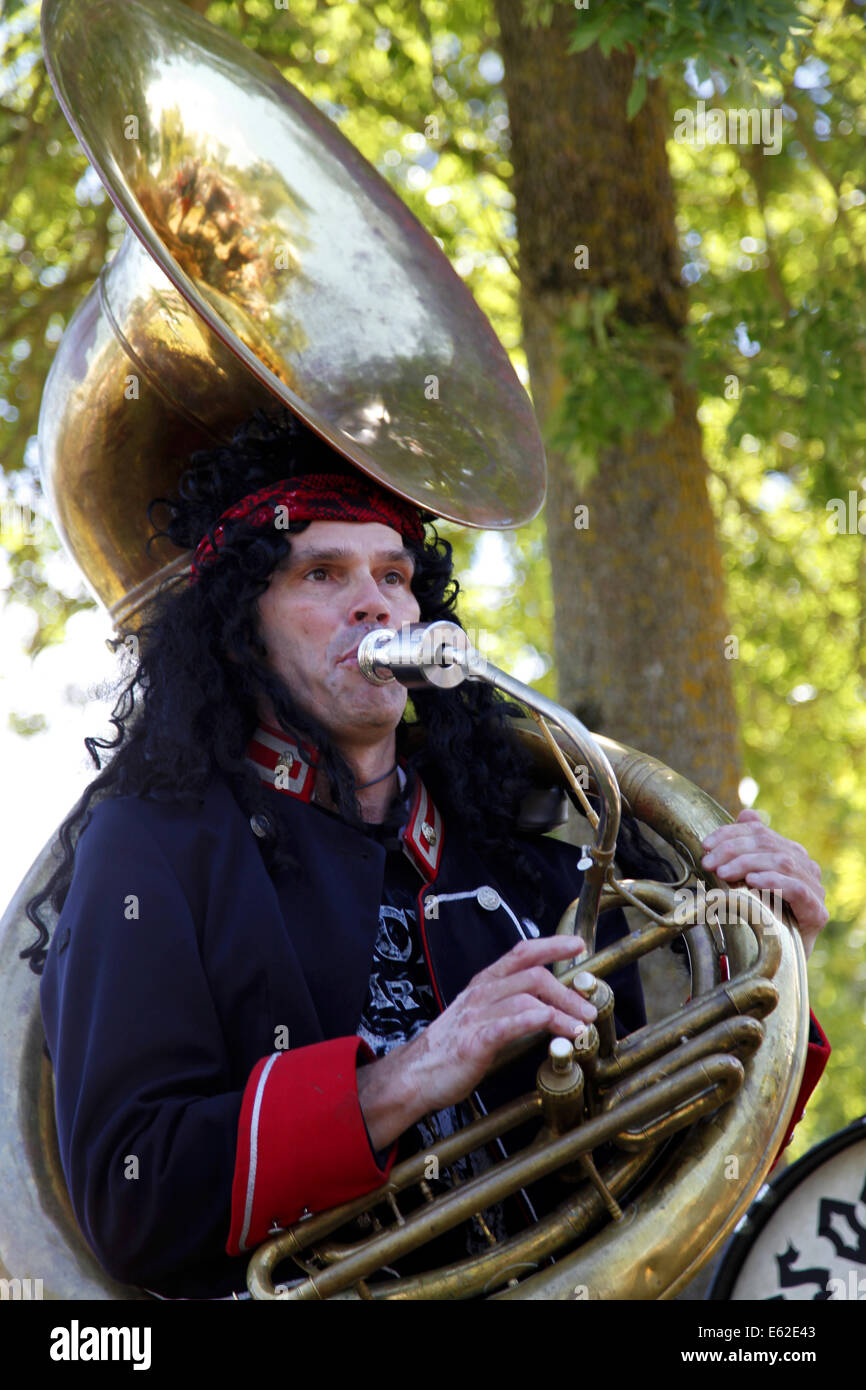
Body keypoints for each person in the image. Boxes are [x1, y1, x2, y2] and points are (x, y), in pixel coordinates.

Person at [26, 406, 830, 1300]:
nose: (373, 600)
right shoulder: (151, 846)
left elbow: (679, 1174)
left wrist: (764, 948)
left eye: (394, 575)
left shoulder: (535, 868)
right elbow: (136, 1198)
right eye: (321, 573)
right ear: (239, 629)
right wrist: (403, 1079)